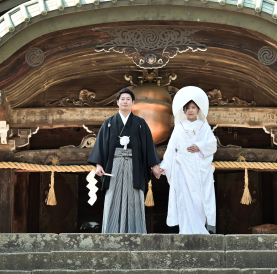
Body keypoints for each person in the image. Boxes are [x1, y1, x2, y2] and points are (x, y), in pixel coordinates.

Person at [87, 87, 162, 233]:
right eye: (122, 99)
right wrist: (98, 165)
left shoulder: (140, 123)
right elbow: (101, 145)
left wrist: (154, 165)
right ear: (117, 102)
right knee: (113, 195)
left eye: (128, 99)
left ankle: (136, 232)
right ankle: (111, 232)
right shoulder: (108, 123)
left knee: (134, 196)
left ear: (133, 102)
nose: (125, 102)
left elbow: (147, 145)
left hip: (135, 165)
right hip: (114, 163)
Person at [159, 86, 217, 234]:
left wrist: (199, 146)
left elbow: (212, 144)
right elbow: (171, 149)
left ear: (198, 110)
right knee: (184, 199)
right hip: (182, 169)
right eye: (187, 108)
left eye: (193, 107)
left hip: (199, 169)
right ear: (183, 111)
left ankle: (201, 229)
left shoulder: (204, 127)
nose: (190, 110)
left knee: (199, 199)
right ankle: (185, 231)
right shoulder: (178, 128)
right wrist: (165, 165)